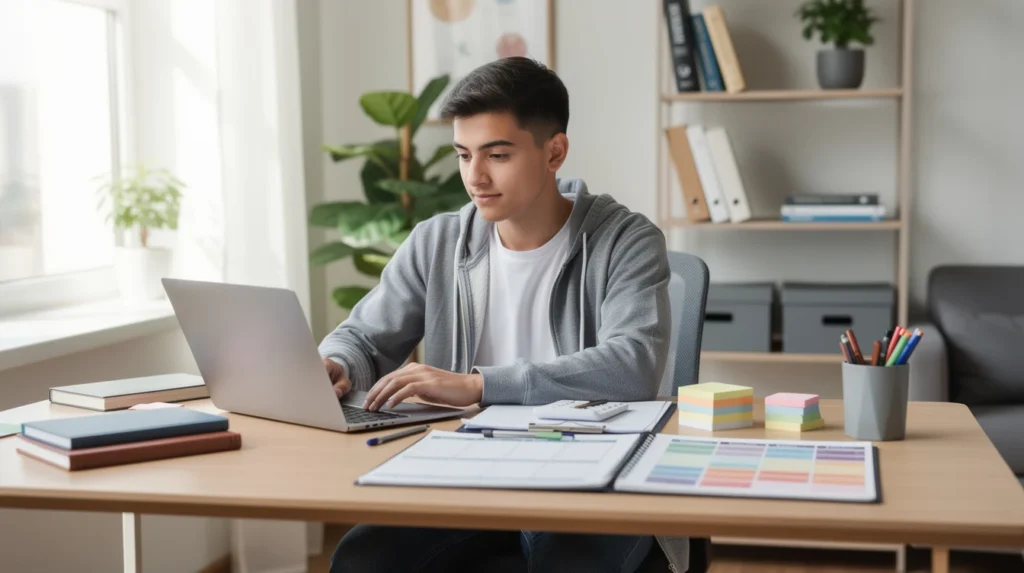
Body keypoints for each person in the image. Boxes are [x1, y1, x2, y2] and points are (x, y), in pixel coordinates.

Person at [320, 56, 672, 573]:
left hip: (588, 470)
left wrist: (480, 385)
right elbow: (364, 338)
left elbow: (633, 362)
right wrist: (337, 362)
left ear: (555, 152)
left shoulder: (625, 240)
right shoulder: (438, 241)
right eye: (464, 155)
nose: (475, 176)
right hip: (467, 470)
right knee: (362, 559)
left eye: (497, 154)